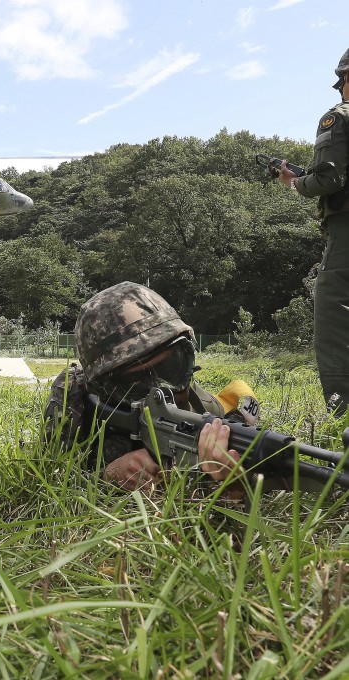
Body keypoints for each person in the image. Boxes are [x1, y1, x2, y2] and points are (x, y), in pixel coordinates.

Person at [44, 281, 253, 491]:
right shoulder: (75, 395)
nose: (163, 391)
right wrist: (106, 476)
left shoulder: (204, 411)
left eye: (171, 367)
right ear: (103, 387)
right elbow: (50, 476)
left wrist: (230, 486)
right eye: (135, 381)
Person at [279, 48, 349, 414]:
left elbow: (330, 178)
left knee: (335, 323)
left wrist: (294, 182)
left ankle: (343, 419)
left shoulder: (338, 118)